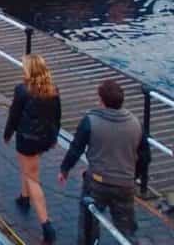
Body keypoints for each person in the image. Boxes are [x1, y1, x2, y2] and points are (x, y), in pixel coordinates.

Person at [59, 78, 150, 245]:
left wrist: (65, 169)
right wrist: (133, 176)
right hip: (125, 185)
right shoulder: (136, 124)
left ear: (102, 101)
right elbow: (145, 157)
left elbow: (76, 148)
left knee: (88, 225)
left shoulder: (91, 121)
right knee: (127, 230)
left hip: (96, 182)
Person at [4, 54, 61, 243]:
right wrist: (53, 138)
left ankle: (46, 224)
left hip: (27, 138)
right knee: (28, 166)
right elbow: (56, 118)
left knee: (33, 178)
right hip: (43, 138)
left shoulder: (22, 90)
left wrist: (7, 134)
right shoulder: (53, 90)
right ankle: (23, 196)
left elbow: (14, 115)